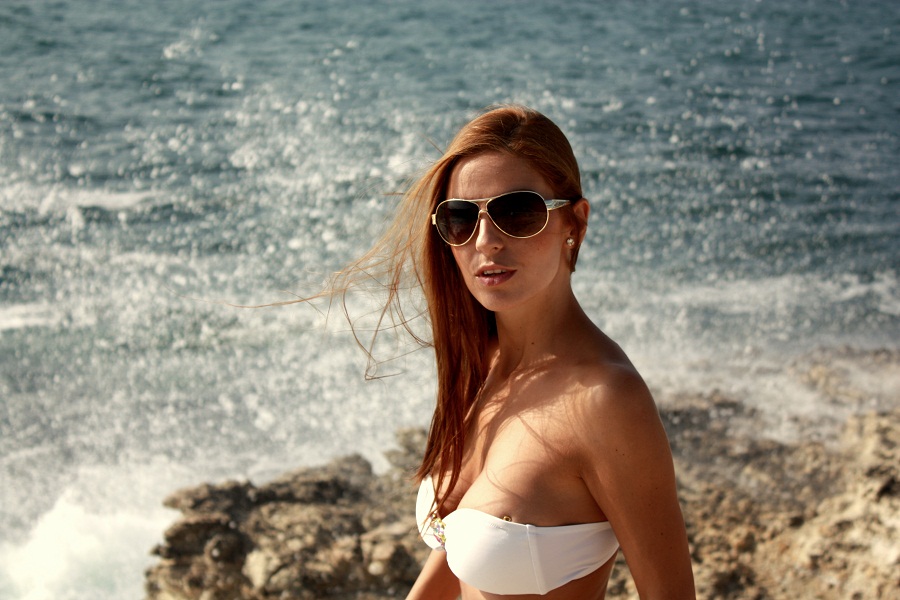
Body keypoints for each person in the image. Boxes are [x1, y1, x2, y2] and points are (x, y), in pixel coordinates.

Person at [335, 104, 695, 599]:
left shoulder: (606, 400)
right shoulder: (485, 363)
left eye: (517, 213)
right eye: (461, 218)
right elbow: (457, 556)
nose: (486, 241)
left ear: (575, 222)